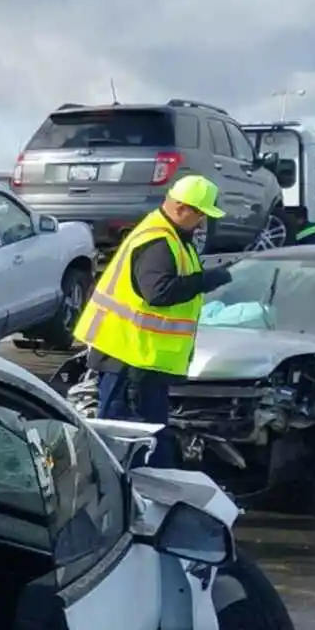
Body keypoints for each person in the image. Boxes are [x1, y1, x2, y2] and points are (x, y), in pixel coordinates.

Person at [72, 174, 235, 467]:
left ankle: (149, 497)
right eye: (200, 215)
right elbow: (157, 292)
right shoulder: (158, 241)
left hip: (140, 359)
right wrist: (206, 280)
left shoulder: (170, 236)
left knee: (145, 440)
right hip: (130, 359)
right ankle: (134, 502)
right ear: (183, 208)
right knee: (127, 444)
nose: (202, 223)